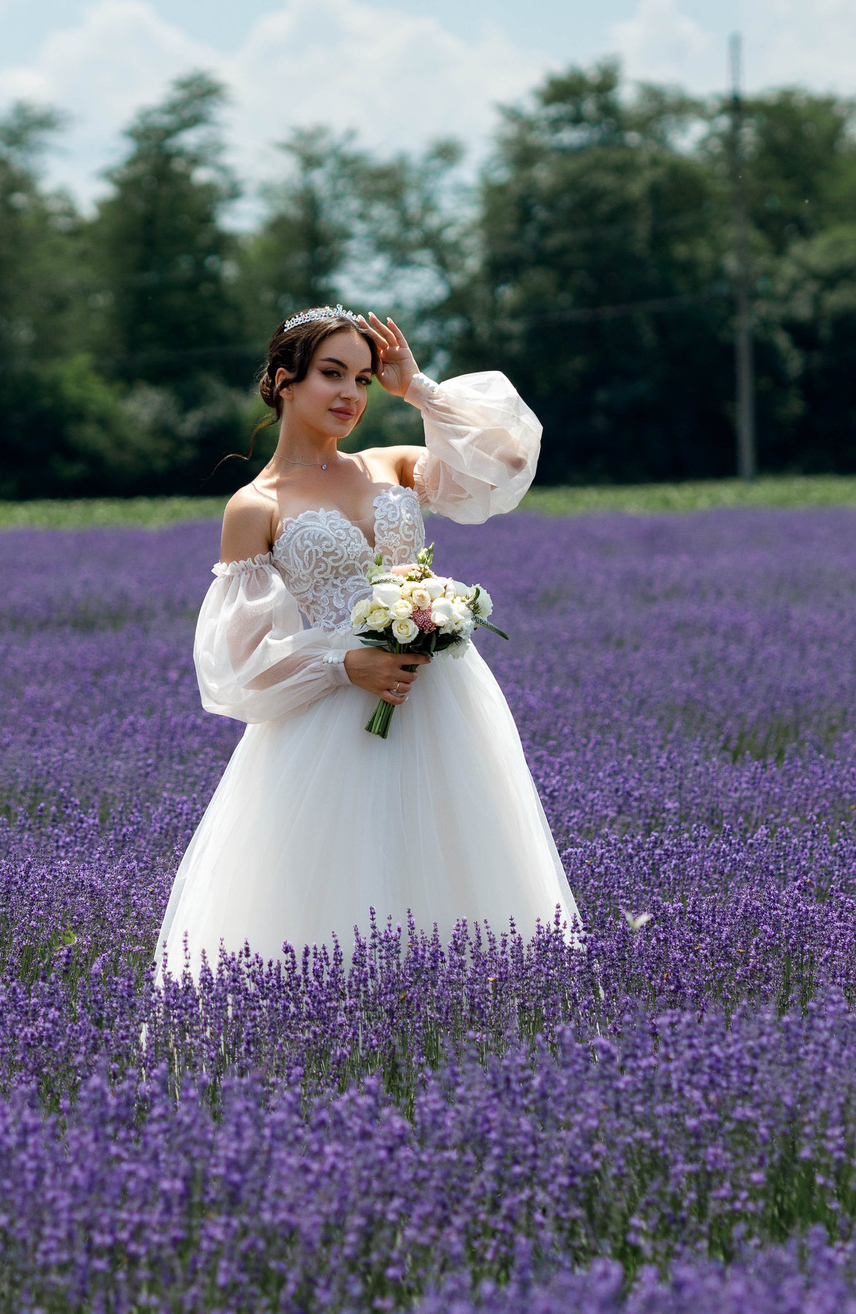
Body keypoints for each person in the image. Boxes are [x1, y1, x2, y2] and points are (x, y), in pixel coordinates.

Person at [154, 306, 580, 976]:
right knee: (334, 904)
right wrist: (342, 661)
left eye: (363, 378)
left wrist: (419, 390)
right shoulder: (255, 505)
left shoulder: (395, 465)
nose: (351, 394)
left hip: (440, 707)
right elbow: (236, 667)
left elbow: (509, 457)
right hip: (329, 725)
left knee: (462, 884)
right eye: (332, 373)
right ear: (283, 380)